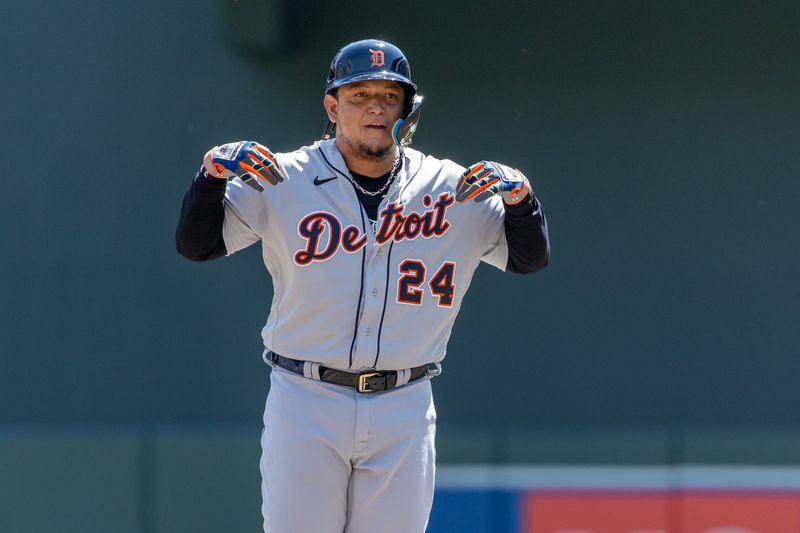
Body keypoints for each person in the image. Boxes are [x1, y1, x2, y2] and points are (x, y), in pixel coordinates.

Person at [176, 38, 549, 533]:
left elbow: (529, 259)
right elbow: (197, 244)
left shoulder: (450, 187)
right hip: (306, 397)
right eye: (358, 95)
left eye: (389, 96)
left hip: (405, 402)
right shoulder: (285, 177)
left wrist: (523, 200)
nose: (375, 107)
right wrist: (209, 179)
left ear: (407, 109)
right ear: (332, 106)